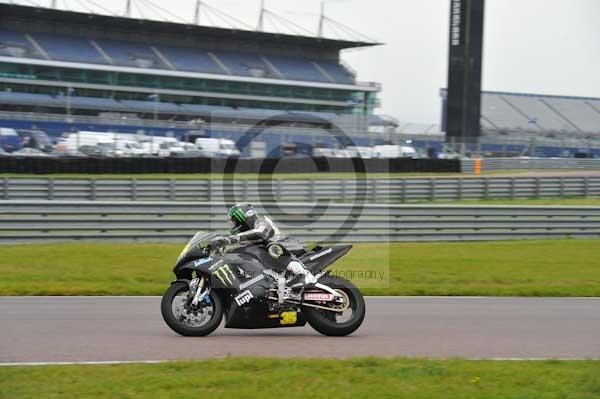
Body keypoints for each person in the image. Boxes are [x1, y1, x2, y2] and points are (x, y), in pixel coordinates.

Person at [210, 203, 318, 289]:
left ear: (241, 218)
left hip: (291, 248)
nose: (231, 226)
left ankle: (306, 275)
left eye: (233, 222)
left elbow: (261, 233)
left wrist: (230, 239)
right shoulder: (246, 234)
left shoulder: (260, 222)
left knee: (273, 247)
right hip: (273, 262)